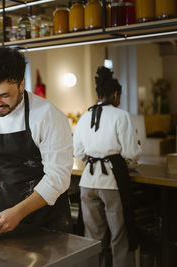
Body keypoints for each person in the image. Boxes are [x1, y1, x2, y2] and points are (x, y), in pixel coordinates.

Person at [0, 47, 73, 235]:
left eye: (4, 95)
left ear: (21, 84)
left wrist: (18, 212)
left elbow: (57, 177)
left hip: (50, 222)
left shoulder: (47, 115)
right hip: (5, 218)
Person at [73, 66, 141, 267]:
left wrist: (94, 158)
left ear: (98, 94)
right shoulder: (121, 116)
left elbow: (78, 152)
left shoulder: (84, 117)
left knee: (93, 238)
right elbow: (132, 153)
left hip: (87, 183)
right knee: (120, 235)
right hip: (112, 182)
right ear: (115, 93)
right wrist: (126, 161)